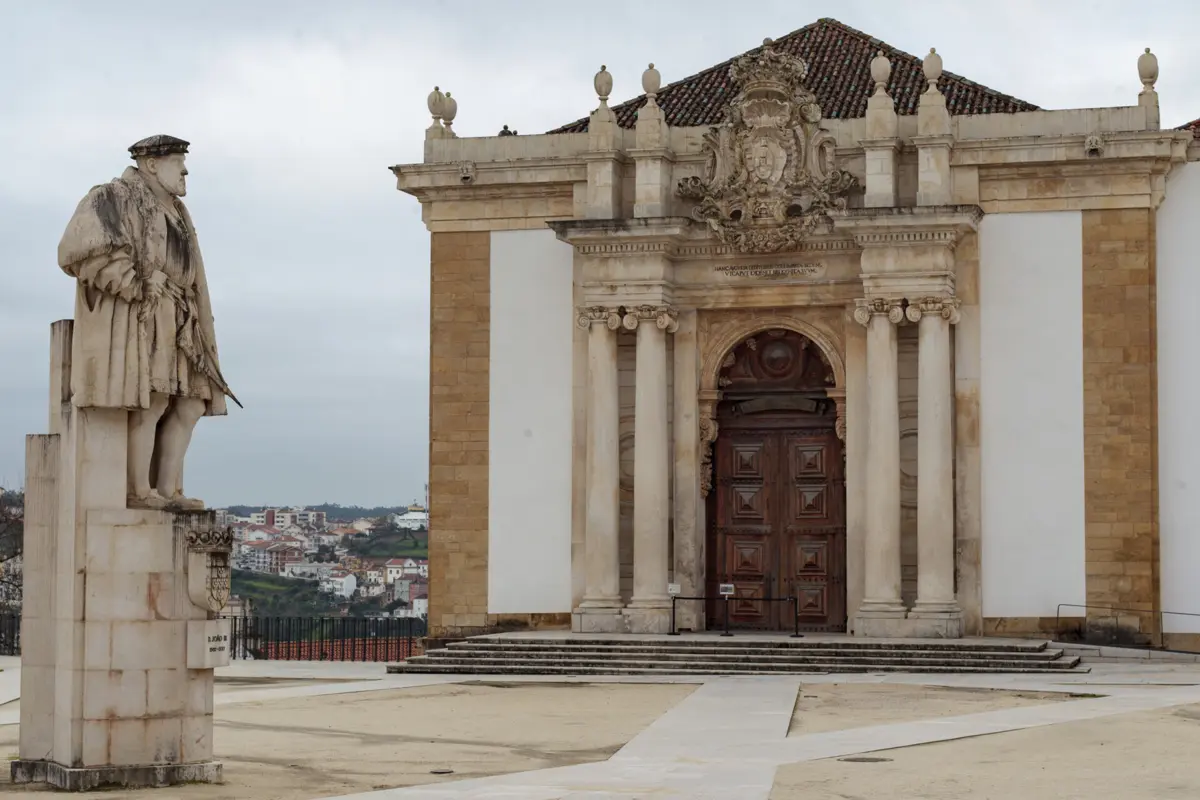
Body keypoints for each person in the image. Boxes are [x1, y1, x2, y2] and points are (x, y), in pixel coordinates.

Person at [57, 134, 238, 511]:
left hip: (182, 314)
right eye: (178, 161)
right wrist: (136, 282)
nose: (185, 170)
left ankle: (169, 490)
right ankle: (141, 491)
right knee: (152, 400)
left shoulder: (177, 211)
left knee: (191, 404)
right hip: (146, 311)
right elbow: (80, 249)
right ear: (151, 164)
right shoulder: (113, 196)